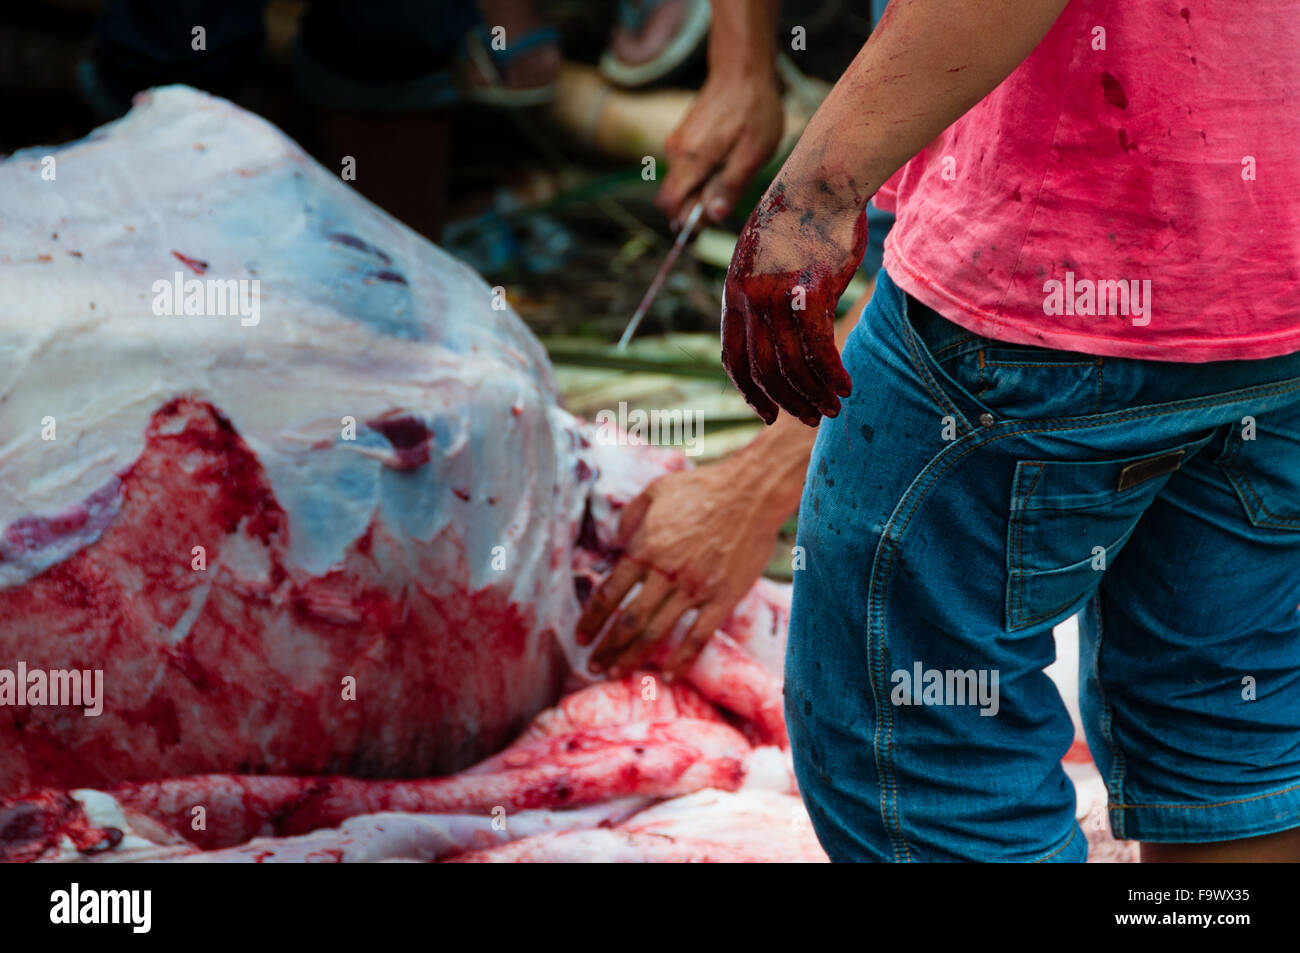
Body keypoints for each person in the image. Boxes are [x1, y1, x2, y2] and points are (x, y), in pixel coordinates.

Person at [588, 0, 1300, 863]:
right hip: (1273, 289)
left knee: (931, 767)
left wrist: (815, 189)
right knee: (1227, 743)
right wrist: (741, 64)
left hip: (1044, 277)